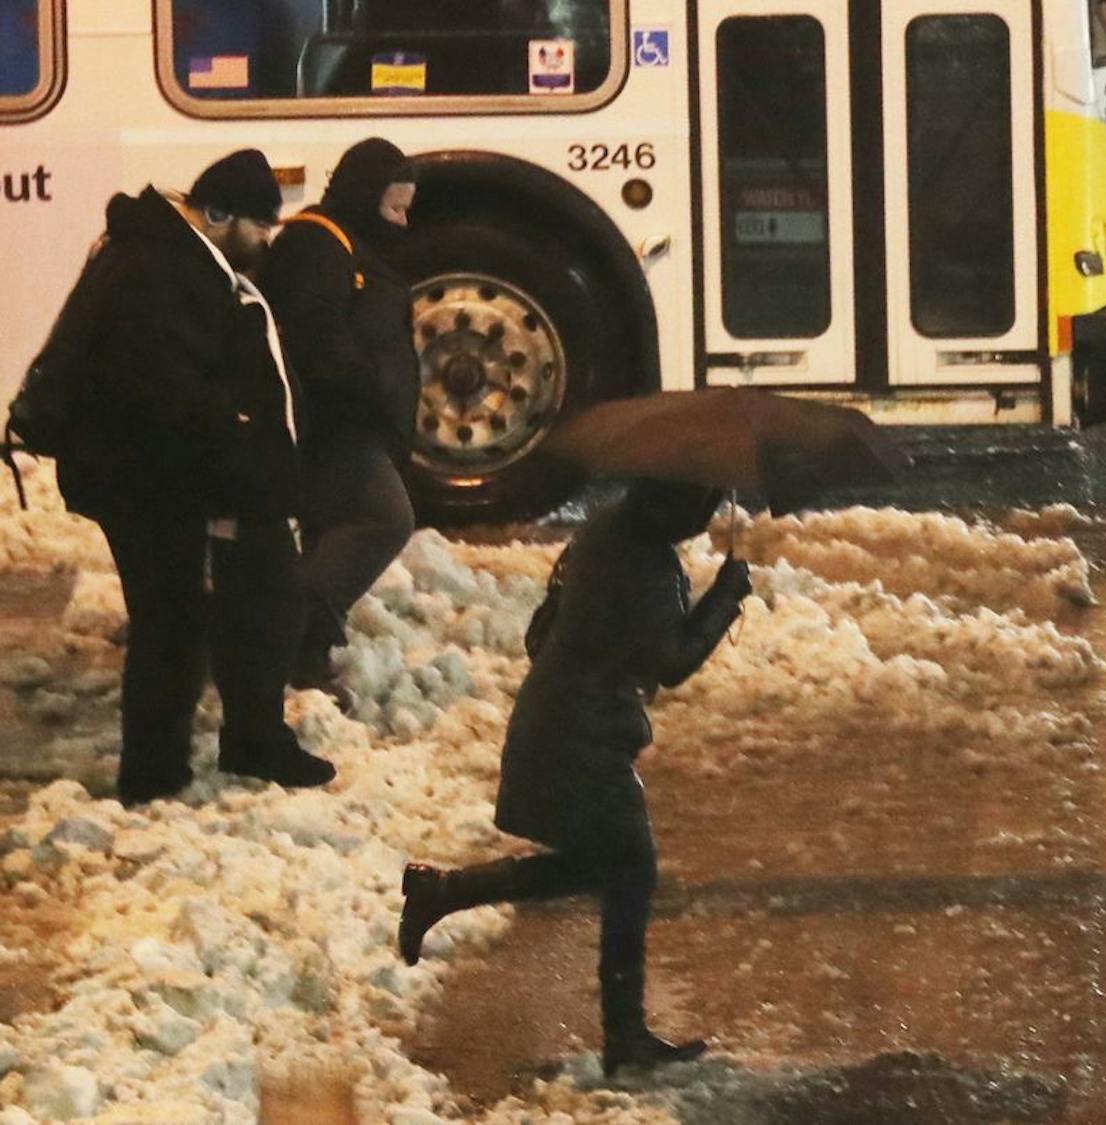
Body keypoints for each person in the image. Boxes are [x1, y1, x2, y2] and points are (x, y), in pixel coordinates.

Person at [398, 481, 753, 1076]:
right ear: (674, 501)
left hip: (560, 723)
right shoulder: (643, 558)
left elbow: (544, 633)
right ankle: (625, 1038)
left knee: (604, 865)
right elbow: (673, 662)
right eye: (700, 506)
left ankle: (443, 892)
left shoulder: (606, 529)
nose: (703, 520)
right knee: (631, 869)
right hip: (579, 739)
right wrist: (726, 596)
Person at [56, 149, 336, 805]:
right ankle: (154, 777)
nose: (266, 242)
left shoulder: (166, 259)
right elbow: (168, 394)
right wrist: (241, 450)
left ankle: (225, 747)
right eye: (260, 227)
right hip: (149, 483)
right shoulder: (160, 271)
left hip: (159, 476)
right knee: (171, 625)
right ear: (217, 214)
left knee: (206, 614)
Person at [261, 137, 420, 693]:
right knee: (384, 519)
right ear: (363, 194)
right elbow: (315, 337)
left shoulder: (348, 243)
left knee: (329, 535)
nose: (402, 221)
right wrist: (372, 388)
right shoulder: (318, 244)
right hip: (332, 425)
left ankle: (303, 658)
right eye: (394, 207)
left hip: (349, 423)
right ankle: (277, 633)